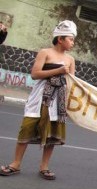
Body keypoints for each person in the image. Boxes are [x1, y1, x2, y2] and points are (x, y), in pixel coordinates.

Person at [0, 20, 76, 180]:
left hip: (57, 101)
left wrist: (69, 102)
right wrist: (59, 70)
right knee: (26, 128)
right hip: (39, 98)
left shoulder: (71, 59)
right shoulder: (45, 53)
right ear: (60, 39)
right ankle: (15, 164)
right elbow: (35, 74)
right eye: (70, 39)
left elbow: (71, 82)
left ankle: (44, 167)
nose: (72, 43)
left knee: (52, 134)